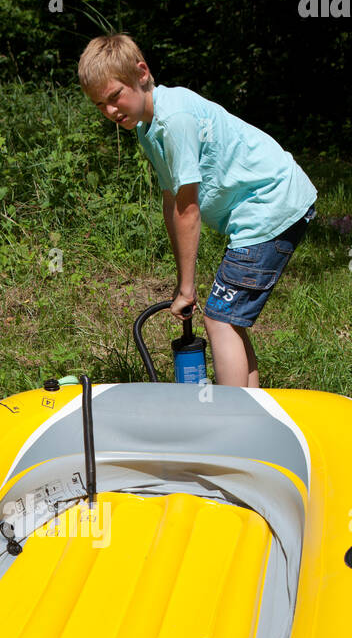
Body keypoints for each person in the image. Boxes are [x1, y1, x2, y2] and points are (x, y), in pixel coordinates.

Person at [78, 34, 317, 387]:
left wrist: (187, 290)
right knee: (228, 318)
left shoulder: (174, 119)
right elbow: (171, 199)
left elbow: (188, 208)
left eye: (115, 96)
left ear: (142, 73)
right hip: (261, 211)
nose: (111, 111)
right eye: (101, 105)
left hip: (271, 204)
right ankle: (248, 411)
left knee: (219, 320)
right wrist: (182, 282)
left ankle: (229, 426)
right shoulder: (147, 127)